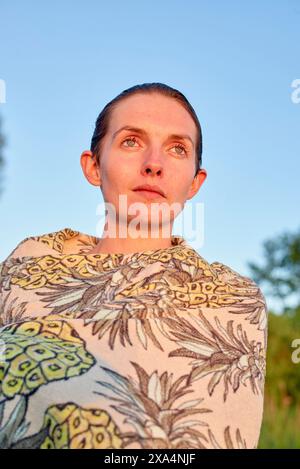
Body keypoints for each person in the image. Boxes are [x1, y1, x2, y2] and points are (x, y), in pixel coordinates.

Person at [0, 82, 268, 449]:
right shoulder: (26, 266)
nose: (153, 164)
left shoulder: (233, 298)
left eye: (177, 148)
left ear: (195, 183)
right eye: (131, 141)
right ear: (93, 166)